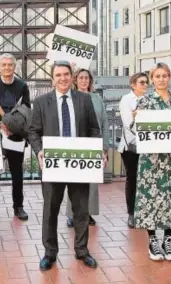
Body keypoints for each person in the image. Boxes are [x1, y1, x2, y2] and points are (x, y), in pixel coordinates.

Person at [28, 60, 101, 271]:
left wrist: (98, 151)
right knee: (50, 210)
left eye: (66, 74)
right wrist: (39, 150)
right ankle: (49, 253)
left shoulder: (84, 100)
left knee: (81, 210)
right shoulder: (42, 102)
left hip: (79, 164)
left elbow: (94, 129)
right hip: (53, 165)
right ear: (53, 79)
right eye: (58, 75)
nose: (62, 78)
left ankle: (82, 251)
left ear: (72, 77)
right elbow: (34, 131)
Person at [132, 63, 171, 261]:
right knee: (151, 199)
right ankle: (152, 242)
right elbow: (136, 129)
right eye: (157, 76)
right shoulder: (145, 101)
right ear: (152, 79)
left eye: (165, 75)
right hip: (152, 161)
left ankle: (168, 241)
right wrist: (136, 120)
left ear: (169, 77)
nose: (161, 79)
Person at [0, 53, 30, 221]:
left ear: (14, 67)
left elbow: (26, 109)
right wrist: (2, 125)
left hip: (16, 134)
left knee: (17, 173)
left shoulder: (22, 86)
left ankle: (19, 207)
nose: (7, 68)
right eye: (3, 65)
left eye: (10, 65)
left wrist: (12, 126)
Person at [65, 69, 109, 227]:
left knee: (92, 183)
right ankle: (72, 214)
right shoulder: (70, 97)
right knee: (73, 182)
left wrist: (104, 146)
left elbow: (104, 122)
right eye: (81, 78)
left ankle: (88, 213)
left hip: (94, 145)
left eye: (87, 78)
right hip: (75, 145)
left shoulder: (97, 99)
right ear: (75, 80)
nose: (84, 80)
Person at [117, 72, 149, 228]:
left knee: (146, 179)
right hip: (131, 146)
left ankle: (143, 210)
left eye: (146, 82)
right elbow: (128, 123)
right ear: (133, 84)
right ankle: (131, 213)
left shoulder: (149, 99)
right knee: (133, 178)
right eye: (141, 82)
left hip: (148, 145)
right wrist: (139, 117)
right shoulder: (126, 100)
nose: (145, 85)